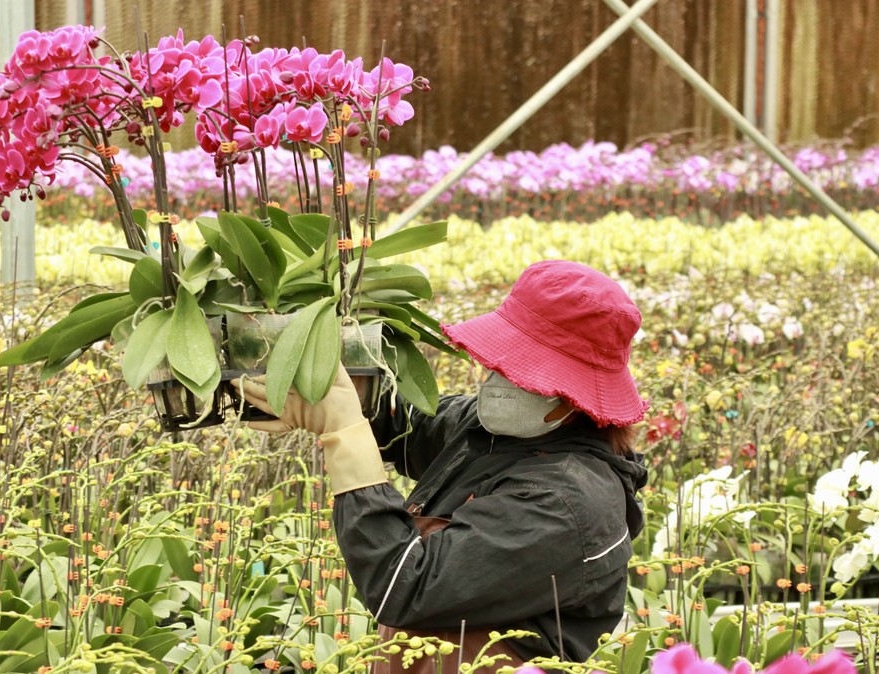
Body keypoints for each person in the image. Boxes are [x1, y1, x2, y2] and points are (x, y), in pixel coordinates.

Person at [237, 260, 649, 672]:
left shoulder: (566, 503)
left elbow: (405, 585)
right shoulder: (498, 433)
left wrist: (344, 431)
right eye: (498, 361)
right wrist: (317, 376)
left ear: (574, 396)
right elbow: (401, 421)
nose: (496, 378)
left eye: (521, 372)